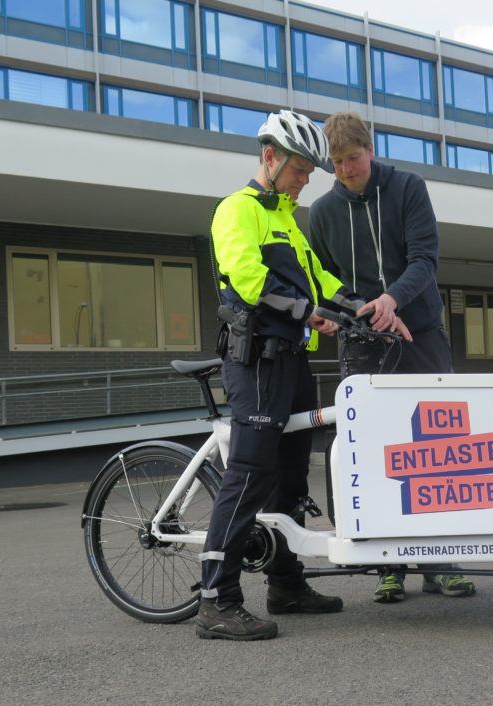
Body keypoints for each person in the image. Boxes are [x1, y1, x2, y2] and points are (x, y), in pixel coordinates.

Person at [196, 110, 371, 641]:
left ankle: (286, 584)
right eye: (299, 168)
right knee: (249, 472)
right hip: (256, 361)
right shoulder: (237, 210)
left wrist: (361, 309)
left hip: (293, 360)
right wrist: (304, 312)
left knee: (292, 477)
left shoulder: (286, 219)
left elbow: (320, 279)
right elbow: (249, 279)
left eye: (309, 171)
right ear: (269, 158)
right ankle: (216, 601)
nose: (307, 179)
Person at [308, 110, 476, 605]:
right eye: (336, 163)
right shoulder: (321, 213)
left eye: (353, 159)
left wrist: (392, 300)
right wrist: (360, 310)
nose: (345, 170)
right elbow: (323, 278)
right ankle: (387, 566)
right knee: (371, 449)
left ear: (371, 150)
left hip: (421, 334)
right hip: (361, 343)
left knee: (439, 444)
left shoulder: (408, 189)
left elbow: (425, 259)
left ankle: (441, 563)